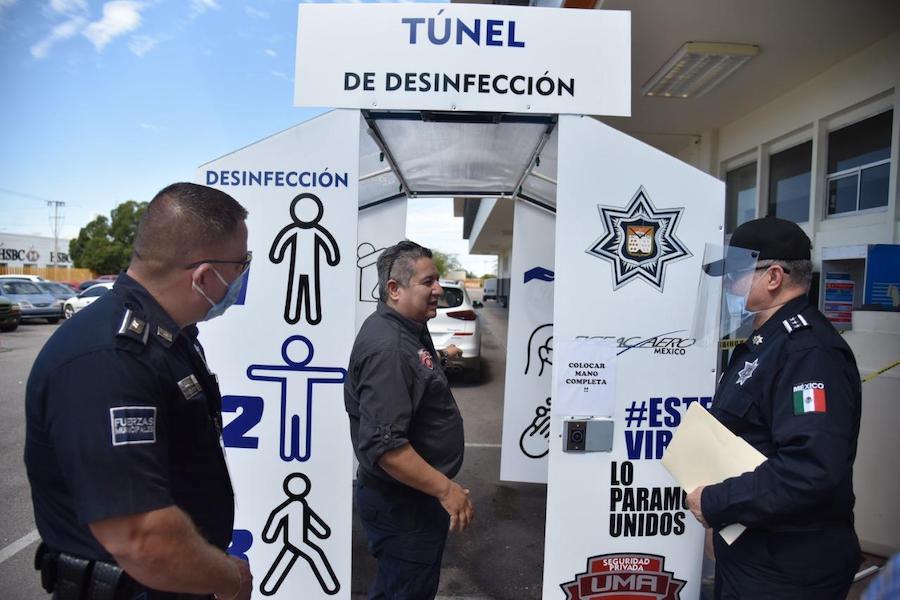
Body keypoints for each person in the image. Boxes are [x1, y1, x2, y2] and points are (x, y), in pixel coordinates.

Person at [25, 182, 253, 600]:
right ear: (204, 275)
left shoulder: (167, 338)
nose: (242, 277)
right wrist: (228, 579)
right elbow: (142, 539)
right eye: (242, 264)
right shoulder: (109, 359)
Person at [685, 216, 862, 599]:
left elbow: (810, 469)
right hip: (756, 550)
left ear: (774, 277)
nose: (729, 286)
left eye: (736, 275)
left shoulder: (809, 353)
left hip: (790, 565)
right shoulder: (767, 343)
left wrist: (717, 503)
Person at [344, 240, 474, 599]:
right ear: (394, 289)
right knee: (403, 592)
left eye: (437, 281)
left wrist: (441, 358)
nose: (437, 290)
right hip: (402, 506)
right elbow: (385, 447)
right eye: (428, 282)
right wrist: (446, 490)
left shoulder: (407, 329)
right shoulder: (390, 348)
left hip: (413, 498)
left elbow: (415, 374)